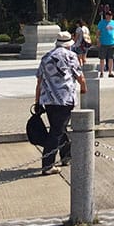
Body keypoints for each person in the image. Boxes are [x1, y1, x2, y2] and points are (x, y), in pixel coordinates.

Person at [34, 30, 86, 175]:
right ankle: (47, 164)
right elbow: (79, 76)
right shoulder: (71, 56)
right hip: (65, 99)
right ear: (69, 44)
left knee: (59, 127)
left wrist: (37, 101)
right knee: (56, 131)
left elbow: (39, 81)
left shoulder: (46, 57)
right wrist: (84, 88)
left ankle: (67, 155)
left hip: (49, 99)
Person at [96, 10, 114, 78]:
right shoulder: (101, 23)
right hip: (103, 43)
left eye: (110, 15)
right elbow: (98, 32)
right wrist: (98, 40)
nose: (109, 16)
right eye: (108, 15)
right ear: (106, 16)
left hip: (112, 43)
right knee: (102, 58)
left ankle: (110, 72)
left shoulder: (113, 23)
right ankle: (102, 72)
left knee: (111, 58)